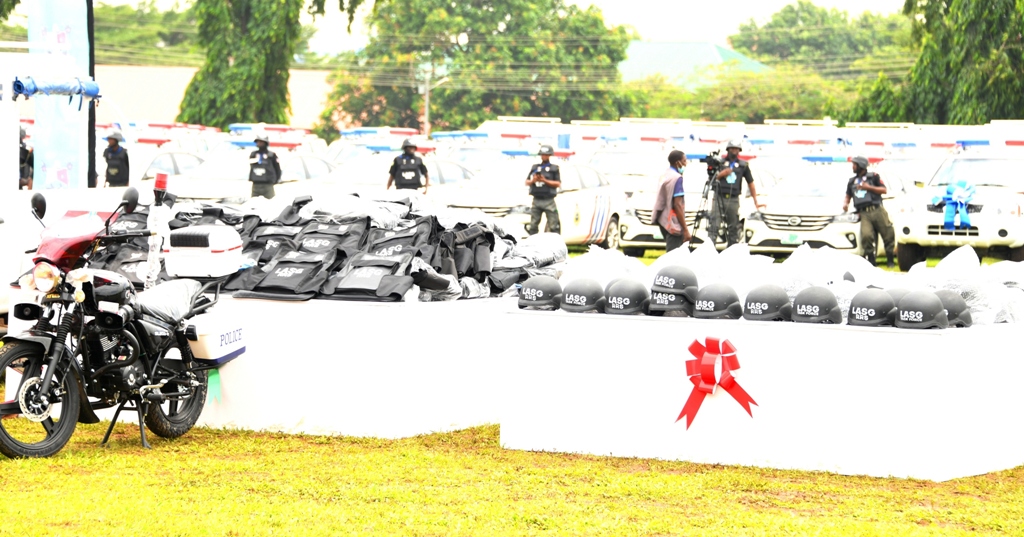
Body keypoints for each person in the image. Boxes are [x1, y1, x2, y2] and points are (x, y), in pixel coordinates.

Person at [710, 139, 765, 246]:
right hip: (719, 197)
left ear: (739, 150)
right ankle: (710, 248)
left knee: (733, 227)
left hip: (733, 199)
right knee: (714, 225)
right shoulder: (720, 163)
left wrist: (756, 201)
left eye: (736, 149)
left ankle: (731, 250)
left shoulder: (743, 165)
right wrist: (721, 174)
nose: (734, 151)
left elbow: (751, 183)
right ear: (728, 150)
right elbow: (711, 180)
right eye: (732, 149)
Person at [843, 155, 895, 268]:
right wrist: (845, 204)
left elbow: (883, 190)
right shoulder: (852, 181)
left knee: (887, 234)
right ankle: (871, 261)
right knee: (866, 236)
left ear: (861, 165)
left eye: (854, 164)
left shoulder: (874, 177)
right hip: (864, 213)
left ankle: (890, 260)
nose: (853, 167)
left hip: (877, 210)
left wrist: (869, 188)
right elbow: (848, 195)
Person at [652, 149, 691, 251]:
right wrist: (685, 229)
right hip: (673, 222)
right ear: (678, 163)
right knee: (673, 254)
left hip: (663, 219)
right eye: (684, 161)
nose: (686, 163)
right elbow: (677, 204)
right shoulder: (677, 178)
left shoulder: (665, 175)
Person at [525, 145, 561, 235]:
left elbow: (558, 183)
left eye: (546, 155)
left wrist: (545, 180)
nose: (544, 156)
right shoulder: (535, 168)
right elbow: (527, 182)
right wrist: (533, 180)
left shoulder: (554, 168)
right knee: (533, 225)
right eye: (543, 155)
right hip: (536, 199)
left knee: (553, 225)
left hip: (549, 200)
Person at [249, 134, 281, 199]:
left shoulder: (271, 155)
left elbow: (277, 169)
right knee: (253, 202)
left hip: (268, 184)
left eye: (261, 142)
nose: (259, 144)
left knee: (271, 202)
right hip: (256, 184)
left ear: (265, 143)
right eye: (258, 142)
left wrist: (276, 180)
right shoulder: (253, 154)